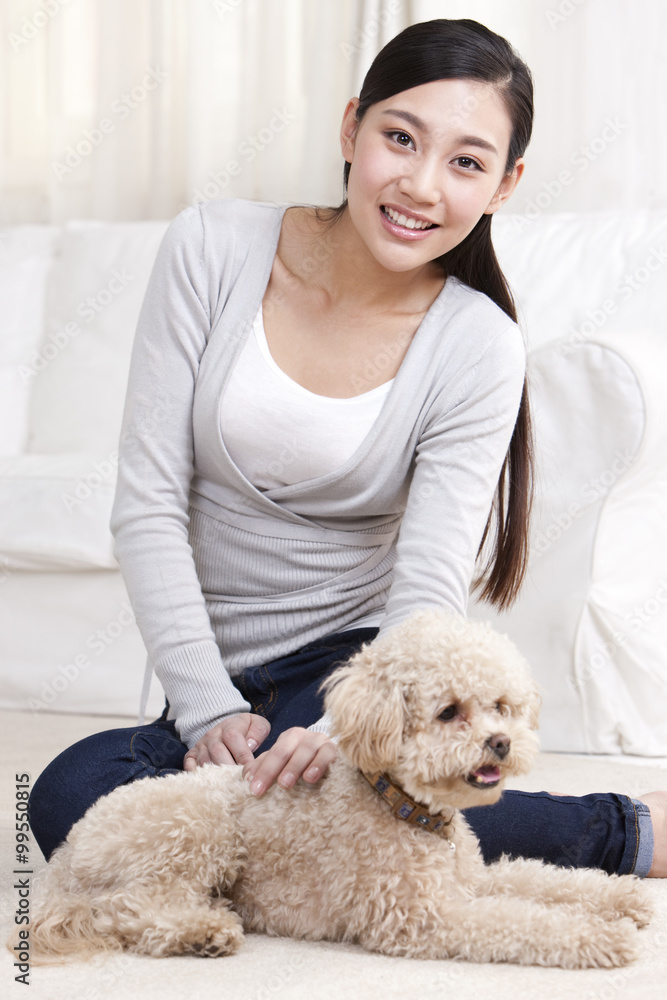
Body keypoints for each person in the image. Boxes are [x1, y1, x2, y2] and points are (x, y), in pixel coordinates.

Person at [29, 18, 665, 877]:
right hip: (208, 679)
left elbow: (427, 585)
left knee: (334, 794)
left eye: (466, 162)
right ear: (349, 126)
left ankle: (619, 832)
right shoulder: (212, 247)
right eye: (398, 138)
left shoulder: (476, 343)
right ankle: (319, 862)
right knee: (73, 798)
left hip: (356, 675)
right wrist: (206, 707)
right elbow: (146, 502)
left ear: (504, 185)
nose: (420, 185)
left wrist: (337, 730)